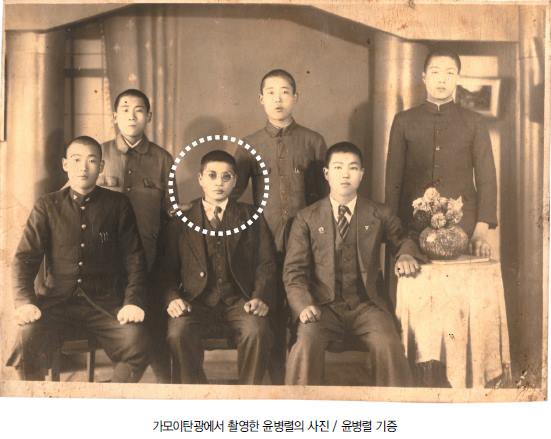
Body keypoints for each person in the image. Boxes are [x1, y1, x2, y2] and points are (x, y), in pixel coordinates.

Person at [7, 136, 150, 382]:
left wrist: (132, 301)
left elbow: (135, 259)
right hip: (56, 305)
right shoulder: (47, 205)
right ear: (65, 164)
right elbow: (24, 259)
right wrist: (24, 302)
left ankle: (108, 398)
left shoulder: (118, 205)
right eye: (76, 160)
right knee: (25, 339)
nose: (83, 167)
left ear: (101, 167)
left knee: (137, 341)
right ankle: (36, 402)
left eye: (91, 161)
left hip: (105, 306)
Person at [284, 142, 424, 386]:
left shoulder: (379, 213)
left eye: (353, 168)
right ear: (326, 173)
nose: (345, 175)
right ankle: (301, 406)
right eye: (338, 167)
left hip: (366, 306)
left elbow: (403, 239)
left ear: (362, 174)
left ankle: (398, 407)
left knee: (389, 345)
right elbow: (294, 272)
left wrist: (405, 255)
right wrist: (303, 305)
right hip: (322, 307)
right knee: (305, 345)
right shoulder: (306, 218)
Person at [233, 69, 327, 383]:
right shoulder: (248, 145)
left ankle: (298, 378)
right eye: (271, 92)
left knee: (301, 306)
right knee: (269, 308)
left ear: (295, 97)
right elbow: (232, 195)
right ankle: (275, 380)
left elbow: (323, 198)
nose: (278, 98)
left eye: (285, 91)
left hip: (305, 241)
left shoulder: (313, 141)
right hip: (265, 240)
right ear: (260, 99)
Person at [162, 150, 277, 384]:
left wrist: (260, 296)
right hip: (196, 302)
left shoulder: (251, 216)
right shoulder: (181, 220)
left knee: (257, 330)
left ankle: (248, 395)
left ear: (234, 181)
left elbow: (266, 263)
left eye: (226, 177)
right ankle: (196, 394)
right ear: (200, 179)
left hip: (239, 302)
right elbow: (165, 270)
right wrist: (173, 298)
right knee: (178, 332)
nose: (219, 183)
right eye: (212, 175)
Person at [385, 48, 497, 257]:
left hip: (463, 226)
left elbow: (487, 179)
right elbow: (393, 181)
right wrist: (395, 233)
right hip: (412, 227)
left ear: (458, 78)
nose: (442, 79)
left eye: (449, 73)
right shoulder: (404, 121)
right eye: (435, 72)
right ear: (424, 77)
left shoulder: (474, 122)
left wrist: (481, 229)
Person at [100, 88, 174, 382]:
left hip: (149, 259)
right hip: (105, 263)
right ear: (114, 116)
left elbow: (170, 217)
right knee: (124, 330)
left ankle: (165, 386)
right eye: (125, 109)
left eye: (139, 110)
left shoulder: (163, 159)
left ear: (149, 117)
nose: (132, 115)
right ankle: (124, 380)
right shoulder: (98, 155)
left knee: (154, 328)